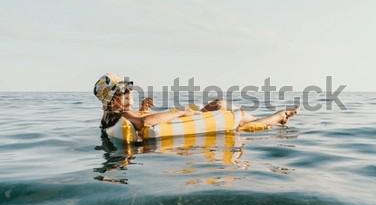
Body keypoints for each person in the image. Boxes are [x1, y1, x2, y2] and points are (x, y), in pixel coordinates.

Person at [93, 73, 298, 134]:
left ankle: (275, 119)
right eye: (122, 91)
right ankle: (277, 118)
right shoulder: (122, 116)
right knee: (233, 114)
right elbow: (144, 123)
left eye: (129, 89)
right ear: (111, 101)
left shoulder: (120, 115)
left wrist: (142, 108)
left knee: (222, 106)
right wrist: (178, 112)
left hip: (178, 120)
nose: (129, 93)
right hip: (179, 121)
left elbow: (139, 117)